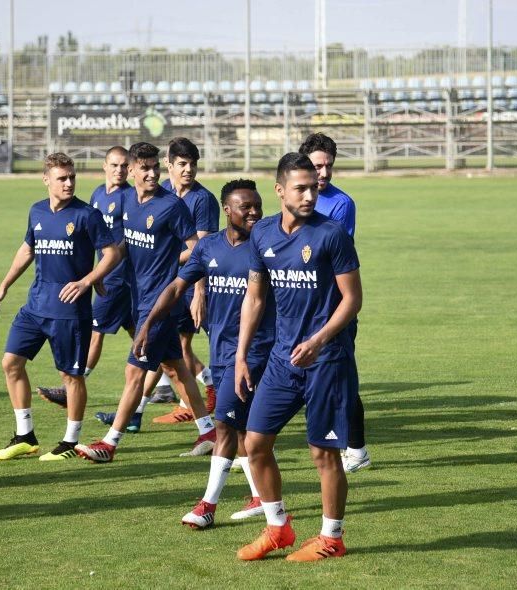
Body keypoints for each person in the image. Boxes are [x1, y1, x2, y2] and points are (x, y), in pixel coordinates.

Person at [234, 153, 362, 561]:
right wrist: (240, 357)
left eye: (313, 186)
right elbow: (254, 297)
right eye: (301, 188)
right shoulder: (263, 234)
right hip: (280, 360)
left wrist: (320, 340)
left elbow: (353, 299)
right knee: (255, 444)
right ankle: (278, 528)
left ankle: (331, 538)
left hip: (326, 361)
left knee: (322, 452)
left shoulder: (331, 234)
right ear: (279, 191)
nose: (311, 194)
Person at [128, 179, 275, 527]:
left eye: (257, 205)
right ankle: (264, 500)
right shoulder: (208, 248)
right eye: (246, 206)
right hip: (220, 352)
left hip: (255, 353)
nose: (254, 211)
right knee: (243, 432)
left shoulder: (267, 247)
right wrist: (148, 324)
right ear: (227, 209)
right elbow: (177, 285)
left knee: (223, 425)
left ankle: (207, 506)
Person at [76, 142, 216, 463]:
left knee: (134, 374)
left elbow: (198, 249)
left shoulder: (171, 207)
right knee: (177, 370)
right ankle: (209, 432)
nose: (152, 173)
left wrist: (193, 288)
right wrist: (100, 272)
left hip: (162, 303)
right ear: (133, 170)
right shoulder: (126, 199)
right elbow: (125, 244)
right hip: (138, 298)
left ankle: (109, 444)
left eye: (155, 167)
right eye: (145, 168)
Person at [0, 153, 120, 461]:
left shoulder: (87, 215)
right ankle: (25, 435)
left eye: (72, 176)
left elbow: (112, 254)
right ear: (46, 179)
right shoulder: (36, 211)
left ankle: (70, 442)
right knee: (11, 362)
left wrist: (88, 281)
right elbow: (27, 249)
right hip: (35, 306)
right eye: (62, 178)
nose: (69, 182)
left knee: (71, 377)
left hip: (70, 312)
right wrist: (3, 285)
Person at [35, 146, 138, 413]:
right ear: (104, 166)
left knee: (94, 331)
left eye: (124, 166)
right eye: (114, 165)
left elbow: (127, 240)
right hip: (103, 276)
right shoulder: (97, 195)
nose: (120, 170)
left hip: (119, 277)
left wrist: (101, 274)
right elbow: (92, 238)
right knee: (139, 334)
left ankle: (73, 387)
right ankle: (166, 383)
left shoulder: (129, 196)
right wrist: (95, 274)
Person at [299, 132, 370, 473]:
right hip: (303, 301)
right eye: (317, 166)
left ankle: (356, 448)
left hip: (334, 303)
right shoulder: (296, 199)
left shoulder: (341, 204)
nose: (324, 173)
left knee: (340, 375)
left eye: (328, 165)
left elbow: (327, 253)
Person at [150, 137, 220, 423]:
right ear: (169, 165)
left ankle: (214, 392)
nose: (188, 169)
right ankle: (194, 396)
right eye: (182, 164)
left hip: (194, 284)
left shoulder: (202, 200)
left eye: (192, 164)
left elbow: (200, 250)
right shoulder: (163, 190)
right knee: (176, 344)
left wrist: (200, 292)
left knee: (195, 342)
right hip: (169, 281)